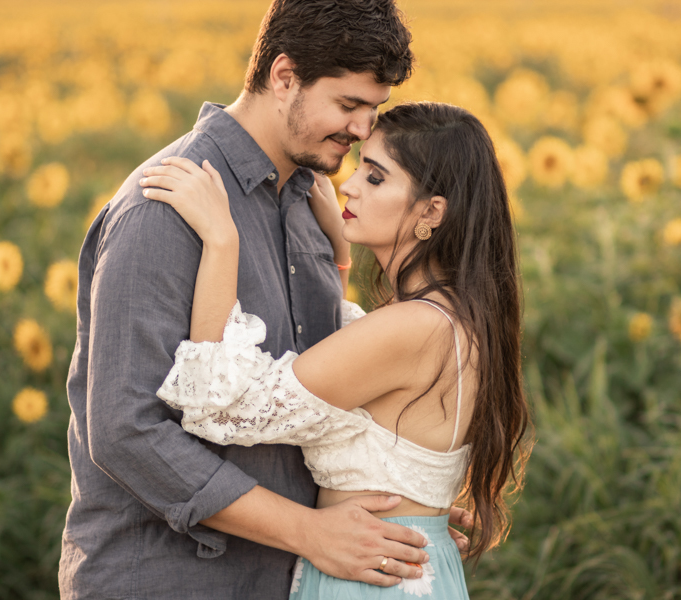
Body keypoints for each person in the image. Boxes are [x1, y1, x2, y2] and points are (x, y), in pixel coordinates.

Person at [59, 2, 472, 598]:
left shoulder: (313, 207)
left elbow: (320, 393)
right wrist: (308, 530)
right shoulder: (165, 206)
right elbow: (126, 429)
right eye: (349, 105)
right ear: (284, 78)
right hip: (172, 579)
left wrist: (410, 504)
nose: (362, 130)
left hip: (286, 576)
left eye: (372, 110)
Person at [139, 101, 532, 598]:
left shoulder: (411, 328)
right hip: (402, 566)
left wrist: (221, 240)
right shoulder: (455, 316)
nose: (348, 185)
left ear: (432, 212)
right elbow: (350, 367)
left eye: (374, 177)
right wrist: (338, 262)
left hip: (368, 580)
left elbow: (216, 408)